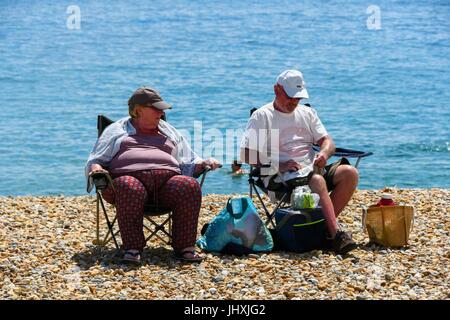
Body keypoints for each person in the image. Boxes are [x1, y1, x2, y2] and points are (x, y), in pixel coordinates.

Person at [86, 87, 221, 263]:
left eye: (162, 108)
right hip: (127, 184)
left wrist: (204, 163)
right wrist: (96, 169)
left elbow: (188, 162)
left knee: (188, 185)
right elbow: (96, 159)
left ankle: (185, 247)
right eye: (156, 108)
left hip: (166, 186)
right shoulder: (116, 131)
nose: (161, 112)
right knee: (129, 186)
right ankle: (133, 249)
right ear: (138, 110)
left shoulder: (169, 131)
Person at [240, 69, 359, 255]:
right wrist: (278, 165)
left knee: (349, 173)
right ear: (276, 90)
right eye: (291, 97)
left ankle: (322, 230)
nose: (294, 102)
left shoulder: (307, 113)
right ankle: (335, 234)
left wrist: (325, 154)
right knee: (318, 181)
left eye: (298, 98)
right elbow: (246, 155)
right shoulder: (263, 116)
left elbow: (328, 142)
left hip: (311, 169)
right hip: (278, 176)